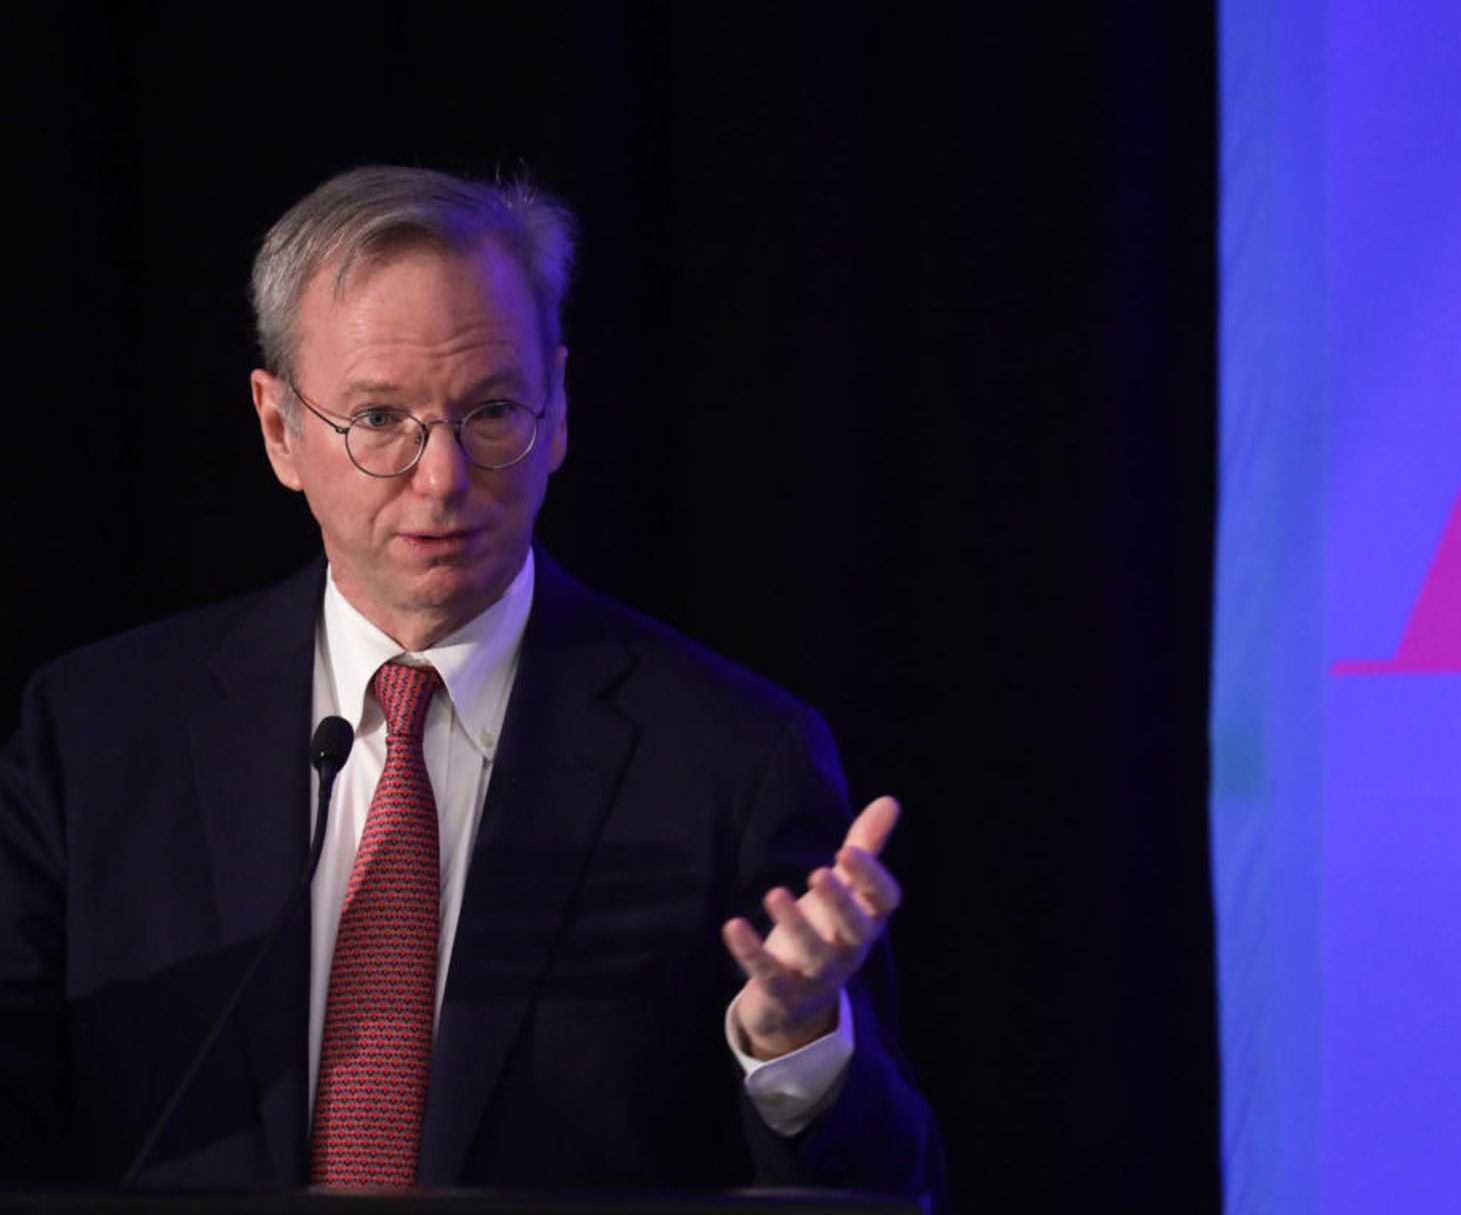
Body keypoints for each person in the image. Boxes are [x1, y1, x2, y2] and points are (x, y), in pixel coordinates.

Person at [0, 166, 942, 1198]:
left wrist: (795, 1044)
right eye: (378, 418)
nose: (443, 477)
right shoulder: (94, 736)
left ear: (562, 409)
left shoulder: (733, 757)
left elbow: (893, 1187)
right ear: (281, 430)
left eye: (492, 409)